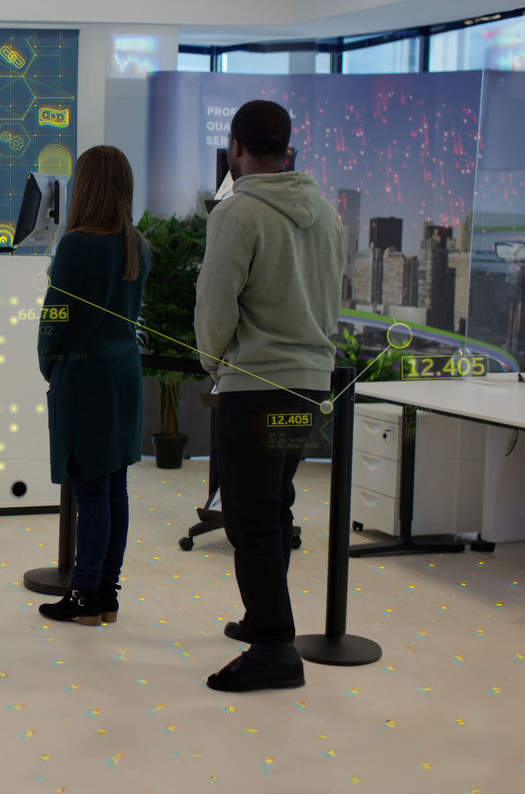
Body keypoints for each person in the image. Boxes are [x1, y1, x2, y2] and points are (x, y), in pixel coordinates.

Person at [194, 100, 343, 692]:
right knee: (274, 507)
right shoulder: (326, 214)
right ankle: (264, 620)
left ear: (235, 147)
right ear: (287, 148)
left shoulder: (237, 212)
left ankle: (276, 647)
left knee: (251, 518)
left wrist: (214, 364)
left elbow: (215, 306)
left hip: (255, 387)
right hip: (309, 385)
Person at [35, 146, 151, 626]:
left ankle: (84, 593)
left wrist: (49, 365)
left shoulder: (77, 245)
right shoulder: (137, 245)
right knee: (114, 486)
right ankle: (106, 593)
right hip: (124, 375)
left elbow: (54, 320)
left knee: (91, 492)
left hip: (84, 377)